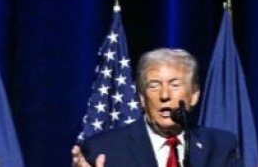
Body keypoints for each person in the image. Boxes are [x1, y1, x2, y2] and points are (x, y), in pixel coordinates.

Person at [70, 48, 243, 167]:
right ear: (142, 98)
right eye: (154, 85)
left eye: (175, 85)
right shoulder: (103, 150)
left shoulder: (220, 147)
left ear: (194, 95)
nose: (164, 95)